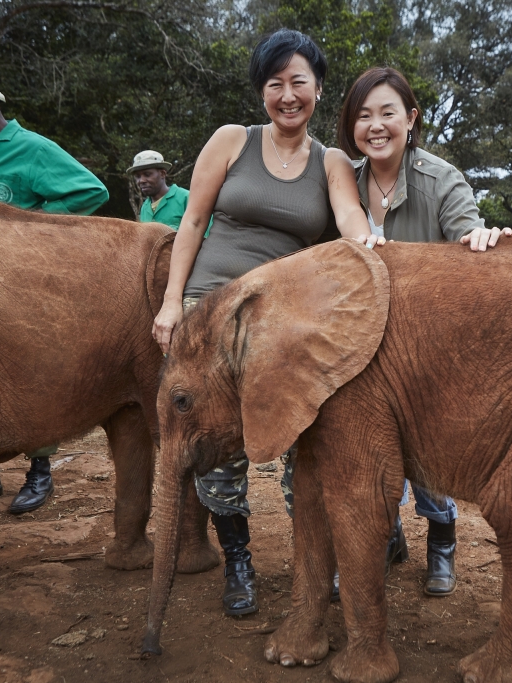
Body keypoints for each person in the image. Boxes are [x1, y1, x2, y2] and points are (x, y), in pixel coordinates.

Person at [151, 29, 381, 618]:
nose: (287, 95)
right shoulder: (232, 141)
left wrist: (367, 240)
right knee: (216, 448)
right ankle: (239, 562)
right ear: (261, 91)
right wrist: (173, 302)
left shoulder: (331, 162)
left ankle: (311, 561)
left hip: (283, 327)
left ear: (318, 89)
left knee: (298, 445)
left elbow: (351, 215)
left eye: (298, 82)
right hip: (210, 317)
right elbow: (194, 222)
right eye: (274, 83)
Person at [336, 66, 512, 598]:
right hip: (362, 341)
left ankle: (442, 539)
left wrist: (483, 236)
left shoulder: (441, 177)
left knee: (428, 454)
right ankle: (387, 539)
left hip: (427, 345)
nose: (375, 125)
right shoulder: (343, 176)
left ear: (410, 119)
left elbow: (467, 234)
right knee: (367, 453)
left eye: (388, 112)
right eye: (363, 116)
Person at [0, 56, 110, 515]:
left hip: (19, 285)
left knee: (29, 373)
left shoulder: (31, 148)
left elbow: (91, 191)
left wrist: (32, 232)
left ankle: (39, 472)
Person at [128, 150, 189, 229]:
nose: (141, 180)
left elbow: (202, 234)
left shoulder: (186, 198)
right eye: (138, 176)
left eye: (147, 174)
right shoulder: (145, 207)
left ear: (162, 174)